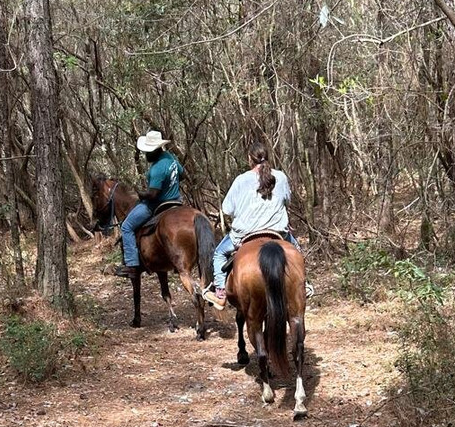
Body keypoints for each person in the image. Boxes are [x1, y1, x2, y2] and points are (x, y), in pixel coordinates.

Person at [203, 143, 312, 310]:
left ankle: (220, 293)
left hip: (244, 234)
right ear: (267, 157)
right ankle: (305, 284)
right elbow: (287, 200)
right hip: (277, 232)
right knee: (296, 252)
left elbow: (227, 209)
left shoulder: (241, 180)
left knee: (218, 254)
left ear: (249, 159)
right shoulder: (281, 177)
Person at [113, 130, 187, 277]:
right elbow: (183, 175)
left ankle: (131, 265)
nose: (145, 155)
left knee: (126, 226)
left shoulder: (157, 168)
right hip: (176, 201)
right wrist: (170, 185)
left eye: (148, 151)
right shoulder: (171, 158)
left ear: (156, 150)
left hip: (157, 204)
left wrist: (141, 194)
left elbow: (153, 195)